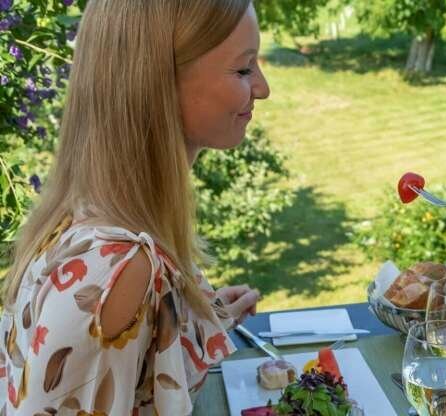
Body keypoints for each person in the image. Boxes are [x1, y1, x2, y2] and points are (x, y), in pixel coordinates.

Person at [0, 0, 268, 414]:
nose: (262, 87)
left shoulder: (102, 208)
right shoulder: (117, 269)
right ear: (160, 81)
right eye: (244, 69)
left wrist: (196, 321)